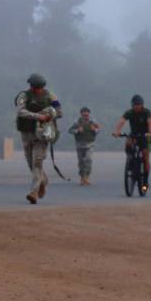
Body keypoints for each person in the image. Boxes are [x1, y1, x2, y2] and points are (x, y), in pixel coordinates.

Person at [14, 73, 62, 204]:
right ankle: (43, 180)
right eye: (35, 87)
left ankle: (33, 192)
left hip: (42, 134)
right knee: (30, 163)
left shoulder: (50, 96)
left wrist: (50, 114)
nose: (37, 90)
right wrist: (38, 116)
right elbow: (20, 111)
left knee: (37, 162)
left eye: (40, 87)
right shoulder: (24, 96)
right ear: (31, 86)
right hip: (26, 133)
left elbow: (59, 111)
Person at [116, 94, 151, 185]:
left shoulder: (146, 112)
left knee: (145, 155)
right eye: (135, 105)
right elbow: (122, 121)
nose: (137, 107)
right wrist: (117, 131)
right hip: (134, 135)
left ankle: (145, 180)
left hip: (145, 136)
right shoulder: (130, 112)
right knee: (128, 142)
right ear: (132, 105)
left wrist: (150, 132)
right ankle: (130, 160)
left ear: (142, 105)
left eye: (139, 105)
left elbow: (150, 122)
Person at [69, 107, 103, 186]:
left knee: (88, 160)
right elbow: (70, 130)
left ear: (89, 114)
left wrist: (95, 130)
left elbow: (99, 129)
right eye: (84, 115)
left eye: (87, 115)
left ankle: (87, 176)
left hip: (90, 144)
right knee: (81, 162)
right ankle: (82, 177)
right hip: (79, 145)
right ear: (81, 114)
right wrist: (77, 131)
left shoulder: (93, 122)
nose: (86, 117)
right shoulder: (77, 122)